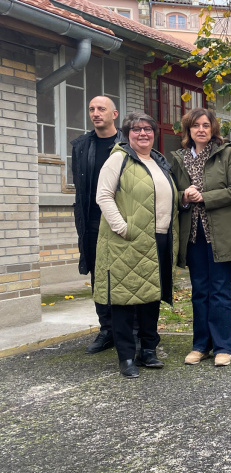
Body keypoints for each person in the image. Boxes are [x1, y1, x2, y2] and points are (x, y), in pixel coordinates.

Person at [94, 112, 178, 378]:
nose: (143, 134)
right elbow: (104, 196)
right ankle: (126, 357)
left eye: (148, 129)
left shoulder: (158, 161)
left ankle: (149, 351)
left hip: (159, 237)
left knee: (150, 297)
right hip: (127, 240)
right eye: (137, 129)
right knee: (124, 300)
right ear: (127, 133)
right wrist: (122, 227)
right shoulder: (118, 159)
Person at [170, 108, 231, 367]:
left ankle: (222, 346)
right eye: (196, 126)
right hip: (193, 235)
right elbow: (173, 192)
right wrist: (184, 195)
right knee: (199, 291)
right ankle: (200, 345)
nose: (201, 130)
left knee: (219, 290)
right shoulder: (179, 158)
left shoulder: (226, 154)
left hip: (221, 234)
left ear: (213, 128)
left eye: (206, 125)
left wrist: (205, 197)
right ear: (188, 130)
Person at [71, 96, 125, 354]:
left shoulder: (127, 143)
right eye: (91, 109)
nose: (95, 113)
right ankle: (107, 330)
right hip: (93, 221)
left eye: (101, 109)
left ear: (114, 114)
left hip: (121, 220)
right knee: (98, 276)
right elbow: (80, 190)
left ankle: (130, 330)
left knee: (124, 274)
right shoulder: (81, 145)